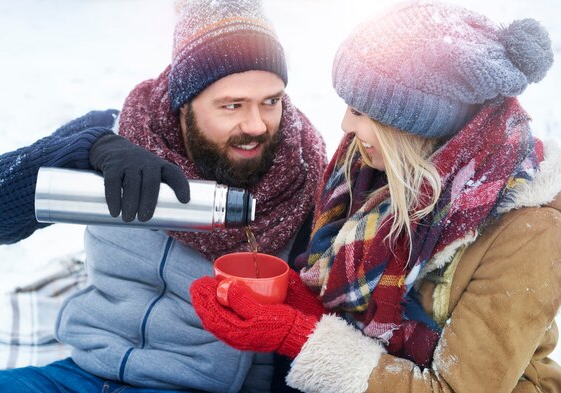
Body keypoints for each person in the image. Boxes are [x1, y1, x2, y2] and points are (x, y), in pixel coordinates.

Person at [0, 0, 326, 391]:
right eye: (232, 105)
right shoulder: (113, 139)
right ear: (184, 104)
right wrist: (84, 150)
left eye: (271, 101)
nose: (256, 125)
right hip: (78, 377)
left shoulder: (306, 185)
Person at [190, 1, 561, 392]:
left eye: (362, 111)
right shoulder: (367, 175)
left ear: (418, 121)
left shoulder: (529, 230)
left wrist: (299, 336)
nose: (345, 124)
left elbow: (454, 387)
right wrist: (300, 305)